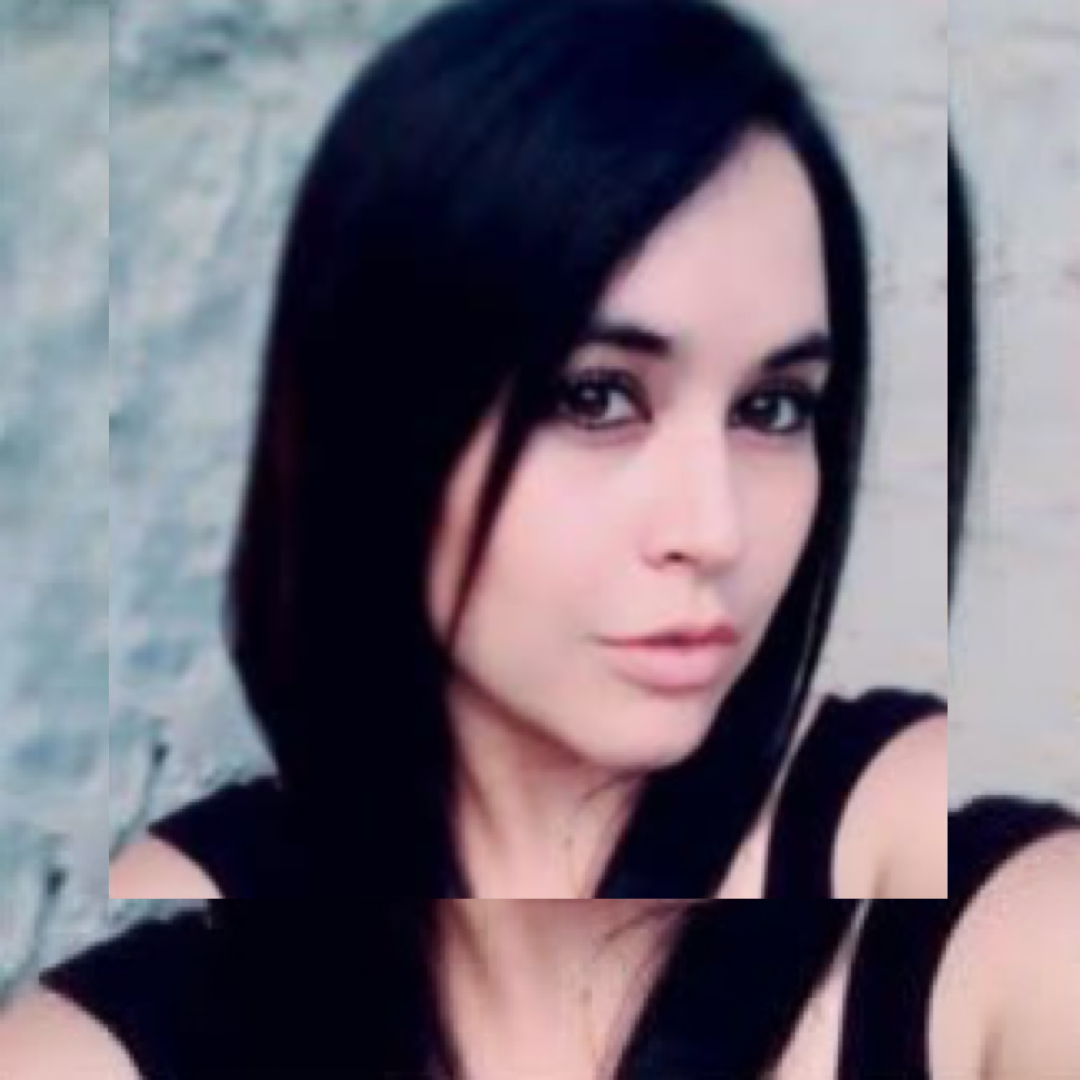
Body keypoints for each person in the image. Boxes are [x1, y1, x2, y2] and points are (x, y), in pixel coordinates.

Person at [2, 2, 1076, 1078]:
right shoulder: (116, 1033)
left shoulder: (975, 904)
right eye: (596, 397)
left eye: (773, 408)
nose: (714, 530)